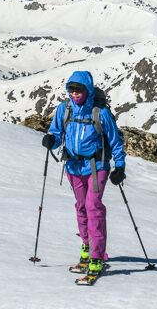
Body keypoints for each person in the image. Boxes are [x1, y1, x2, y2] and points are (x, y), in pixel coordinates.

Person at [41, 70, 126, 275]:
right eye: (71, 89)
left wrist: (120, 167)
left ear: (87, 89)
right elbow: (56, 132)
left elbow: (115, 142)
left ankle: (97, 255)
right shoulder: (64, 109)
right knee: (81, 207)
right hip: (73, 166)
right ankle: (87, 247)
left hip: (97, 166)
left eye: (79, 89)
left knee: (93, 206)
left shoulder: (101, 113)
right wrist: (51, 139)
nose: (75, 93)